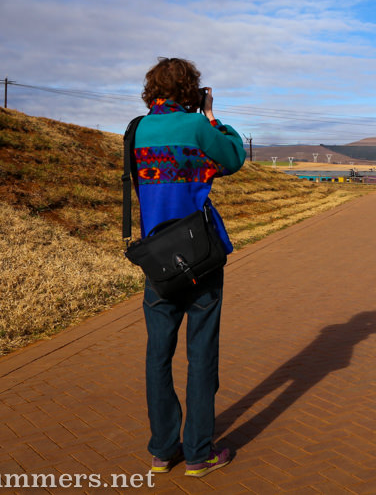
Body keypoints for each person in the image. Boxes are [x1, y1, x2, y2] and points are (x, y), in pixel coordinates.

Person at [133, 57, 246, 477]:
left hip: (156, 259)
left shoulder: (135, 130)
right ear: (192, 90)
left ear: (152, 89)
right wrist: (212, 116)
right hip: (200, 255)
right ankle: (199, 453)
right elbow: (233, 158)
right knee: (202, 352)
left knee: (157, 354)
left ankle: (163, 450)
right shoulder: (198, 128)